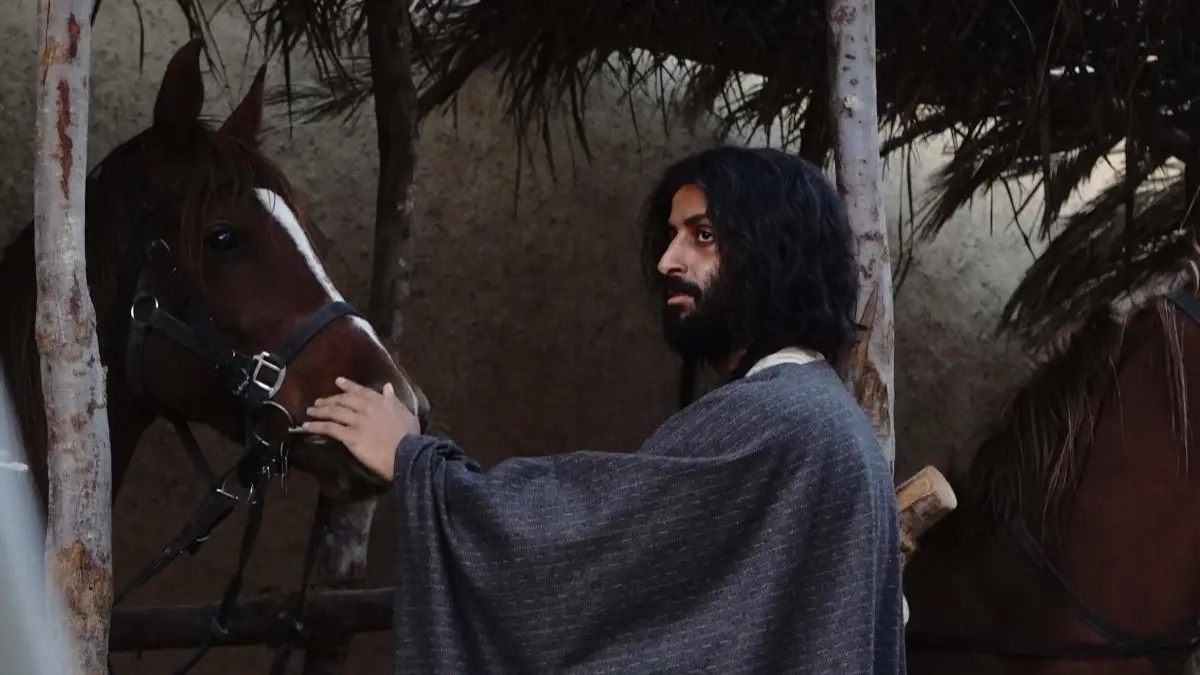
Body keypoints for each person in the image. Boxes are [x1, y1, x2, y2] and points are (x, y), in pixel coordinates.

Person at [303, 145, 906, 674]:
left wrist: (415, 463)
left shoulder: (779, 420)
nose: (668, 261)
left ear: (776, 253)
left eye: (702, 236)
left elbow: (586, 546)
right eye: (671, 235)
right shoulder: (823, 419)